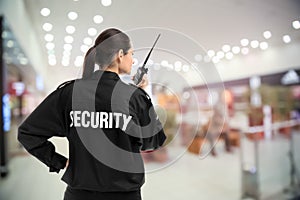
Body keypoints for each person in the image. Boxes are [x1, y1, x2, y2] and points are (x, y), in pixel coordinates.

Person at [18, 28, 166, 200]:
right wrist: (144, 95)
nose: (133, 61)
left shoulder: (69, 93)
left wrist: (60, 162)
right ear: (120, 55)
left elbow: (27, 133)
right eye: (131, 54)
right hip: (125, 195)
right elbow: (154, 140)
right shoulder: (134, 97)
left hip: (79, 194)